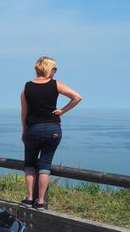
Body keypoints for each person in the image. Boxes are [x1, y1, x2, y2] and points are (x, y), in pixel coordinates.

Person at [20, 56, 82, 210]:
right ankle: (40, 201)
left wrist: (24, 131)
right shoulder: (55, 84)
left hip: (33, 129)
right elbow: (77, 97)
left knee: (29, 165)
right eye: (55, 68)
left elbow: (24, 113)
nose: (55, 71)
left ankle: (29, 199)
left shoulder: (27, 87)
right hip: (52, 129)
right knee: (45, 165)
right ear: (49, 69)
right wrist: (62, 111)